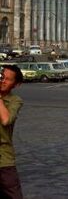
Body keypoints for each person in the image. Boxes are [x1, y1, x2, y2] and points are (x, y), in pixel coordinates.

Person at [0, 65, 24, 198]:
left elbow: (6, 120)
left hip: (4, 159)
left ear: (16, 84)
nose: (3, 81)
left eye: (8, 79)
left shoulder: (15, 101)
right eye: (2, 77)